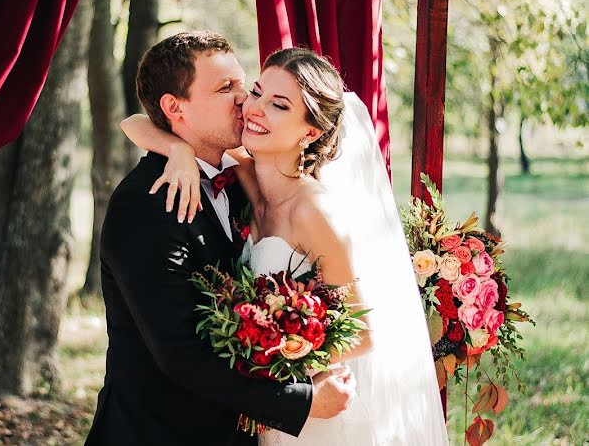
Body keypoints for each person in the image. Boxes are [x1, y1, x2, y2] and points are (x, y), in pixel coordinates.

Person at [122, 46, 449, 445]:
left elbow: (363, 332)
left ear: (310, 131)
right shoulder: (243, 175)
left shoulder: (314, 212)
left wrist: (274, 361)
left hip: (309, 408)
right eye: (256, 92)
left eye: (278, 105)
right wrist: (177, 148)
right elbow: (135, 121)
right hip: (264, 414)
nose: (252, 107)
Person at [85, 33, 356, 446]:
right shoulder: (146, 204)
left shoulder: (242, 179)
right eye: (225, 88)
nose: (245, 99)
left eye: (243, 83)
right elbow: (179, 353)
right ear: (175, 108)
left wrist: (176, 148)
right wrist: (297, 401)